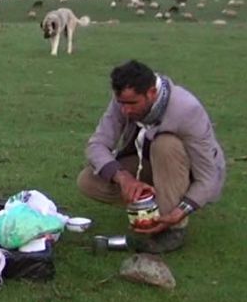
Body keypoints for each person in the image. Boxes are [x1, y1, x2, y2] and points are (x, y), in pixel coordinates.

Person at [77, 59, 226, 254]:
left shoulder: (187, 110)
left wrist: (182, 210)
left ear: (151, 93)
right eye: (121, 103)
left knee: (165, 144)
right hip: (148, 163)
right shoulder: (123, 100)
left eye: (132, 103)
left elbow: (208, 177)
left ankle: (172, 227)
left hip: (184, 171)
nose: (126, 110)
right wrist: (124, 178)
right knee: (88, 180)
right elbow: (97, 145)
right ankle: (147, 208)